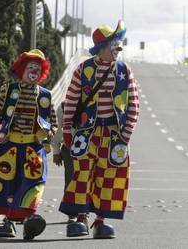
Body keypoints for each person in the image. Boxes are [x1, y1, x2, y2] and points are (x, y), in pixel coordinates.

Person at [59, 20, 140, 239]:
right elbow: (72, 99)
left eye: (119, 45)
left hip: (114, 135)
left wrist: (126, 134)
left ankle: (101, 221)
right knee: (82, 175)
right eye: (114, 45)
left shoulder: (124, 70)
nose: (118, 49)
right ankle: (80, 218)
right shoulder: (84, 69)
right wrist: (67, 129)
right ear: (102, 47)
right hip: (87, 134)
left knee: (110, 177)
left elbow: (133, 104)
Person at [0, 49, 57, 240]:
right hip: (9, 147)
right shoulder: (7, 90)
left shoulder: (46, 96)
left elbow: (53, 122)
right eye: (30, 67)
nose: (33, 71)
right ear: (22, 69)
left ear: (41, 73)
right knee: (8, 182)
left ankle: (28, 219)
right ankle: (8, 222)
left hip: (34, 148)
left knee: (34, 182)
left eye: (37, 68)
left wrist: (48, 133)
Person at [51, 101, 76, 223]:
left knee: (88, 180)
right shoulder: (63, 107)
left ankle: (84, 212)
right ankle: (72, 213)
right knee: (71, 179)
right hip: (69, 147)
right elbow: (59, 128)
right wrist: (56, 151)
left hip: (89, 148)